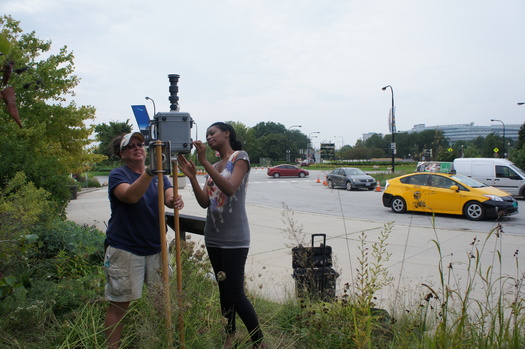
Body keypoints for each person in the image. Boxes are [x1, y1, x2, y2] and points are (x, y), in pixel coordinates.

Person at [178, 122, 266, 348]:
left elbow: (230, 188)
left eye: (212, 133)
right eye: (206, 134)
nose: (208, 137)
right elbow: (205, 202)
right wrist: (191, 176)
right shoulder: (215, 165)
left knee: (235, 293)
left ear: (227, 133)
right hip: (213, 237)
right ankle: (229, 337)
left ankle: (259, 341)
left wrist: (204, 162)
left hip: (235, 237)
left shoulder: (240, 157)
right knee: (223, 291)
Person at [104, 132, 184, 349]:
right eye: (131, 146)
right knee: (119, 304)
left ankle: (163, 341)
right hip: (126, 249)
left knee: (162, 302)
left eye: (140, 144)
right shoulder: (118, 175)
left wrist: (174, 199)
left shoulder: (160, 175)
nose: (137, 148)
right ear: (122, 153)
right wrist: (150, 171)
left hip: (156, 248)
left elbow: (168, 196)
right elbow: (130, 196)